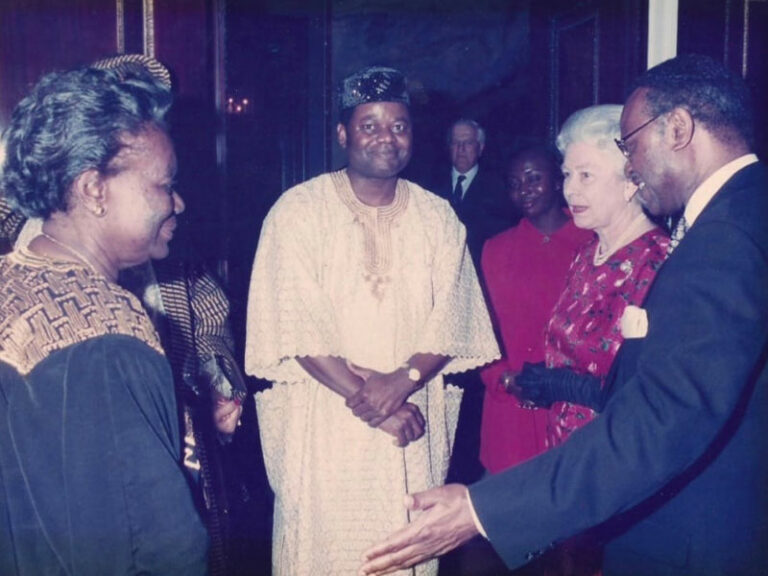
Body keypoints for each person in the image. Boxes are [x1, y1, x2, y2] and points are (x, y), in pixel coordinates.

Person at [360, 53, 768, 576]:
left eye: (631, 144)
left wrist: (482, 508)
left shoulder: (724, 239)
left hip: (699, 539)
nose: (633, 166)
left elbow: (662, 418)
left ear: (679, 128)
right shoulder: (743, 213)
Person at [244, 66, 498, 575]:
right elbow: (292, 323)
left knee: (402, 549)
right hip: (325, 421)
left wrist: (402, 383)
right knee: (323, 551)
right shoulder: (298, 211)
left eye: (399, 125)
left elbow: (455, 318)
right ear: (343, 134)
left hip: (412, 419)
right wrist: (379, 404)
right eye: (370, 125)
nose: (387, 137)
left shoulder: (437, 217)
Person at [0, 66, 208, 574]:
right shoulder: (107, 323)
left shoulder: (11, 277)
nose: (177, 202)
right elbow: (159, 545)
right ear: (94, 189)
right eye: (165, 185)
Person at [479, 145, 591, 474]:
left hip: (570, 403)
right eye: (514, 183)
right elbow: (480, 328)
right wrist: (502, 378)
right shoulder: (496, 249)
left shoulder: (591, 242)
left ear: (558, 181)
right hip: (509, 407)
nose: (523, 189)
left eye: (533, 178)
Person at [438, 118, 515, 264]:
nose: (461, 149)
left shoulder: (499, 189)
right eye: (456, 143)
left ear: (480, 148)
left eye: (468, 143)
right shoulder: (430, 184)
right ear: (449, 147)